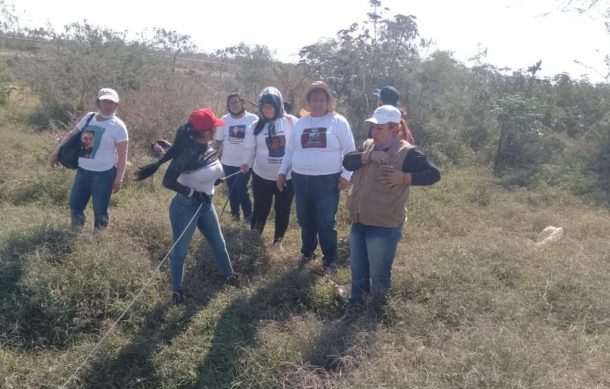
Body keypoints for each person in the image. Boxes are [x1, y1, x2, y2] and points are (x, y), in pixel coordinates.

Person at [342, 105, 440, 321]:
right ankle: (355, 308)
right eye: (373, 127)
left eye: (380, 128)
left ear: (394, 130)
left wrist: (404, 178)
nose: (374, 133)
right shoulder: (368, 146)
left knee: (378, 275)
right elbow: (347, 160)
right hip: (359, 222)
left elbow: (434, 174)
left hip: (384, 227)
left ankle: (373, 316)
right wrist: (368, 156)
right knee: (358, 271)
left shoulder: (407, 152)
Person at [135, 108, 240, 305]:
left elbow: (210, 172)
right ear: (205, 131)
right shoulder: (187, 152)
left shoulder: (208, 147)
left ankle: (231, 276)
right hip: (185, 208)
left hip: (206, 204)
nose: (216, 130)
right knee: (180, 251)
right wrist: (192, 192)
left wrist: (214, 182)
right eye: (213, 127)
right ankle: (177, 291)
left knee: (219, 243)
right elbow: (167, 181)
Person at [278, 81, 356, 274]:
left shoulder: (338, 121)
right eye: (314, 100)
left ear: (328, 101)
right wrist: (282, 172)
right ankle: (307, 253)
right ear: (308, 102)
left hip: (328, 180)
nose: (318, 103)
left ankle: (330, 260)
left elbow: (350, 152)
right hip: (300, 179)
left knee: (326, 221)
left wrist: (346, 176)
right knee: (305, 219)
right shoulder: (301, 123)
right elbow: (290, 150)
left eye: (322, 99)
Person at [51, 88, 128, 230]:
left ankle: (98, 241)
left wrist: (119, 179)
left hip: (104, 175)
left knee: (100, 211)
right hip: (83, 172)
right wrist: (56, 151)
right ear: (98, 102)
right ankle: (75, 231)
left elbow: (123, 155)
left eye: (111, 102)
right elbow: (71, 135)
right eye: (104, 101)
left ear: (116, 105)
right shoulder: (89, 117)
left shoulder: (118, 126)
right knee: (75, 204)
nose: (107, 105)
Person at [240, 87, 295, 248]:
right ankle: (254, 239)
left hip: (287, 177)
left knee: (283, 209)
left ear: (279, 106)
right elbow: (249, 148)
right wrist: (245, 162)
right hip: (261, 176)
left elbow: (298, 146)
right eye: (264, 106)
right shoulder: (256, 126)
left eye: (271, 106)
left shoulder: (292, 122)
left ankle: (278, 242)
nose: (267, 109)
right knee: (260, 209)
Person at [214, 92, 258, 222]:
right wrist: (211, 155)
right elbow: (218, 141)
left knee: (241, 189)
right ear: (228, 105)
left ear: (242, 102)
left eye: (236, 102)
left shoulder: (253, 119)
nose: (234, 105)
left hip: (245, 163)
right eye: (231, 103)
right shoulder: (224, 120)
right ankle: (235, 216)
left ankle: (248, 216)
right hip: (227, 161)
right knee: (231, 189)